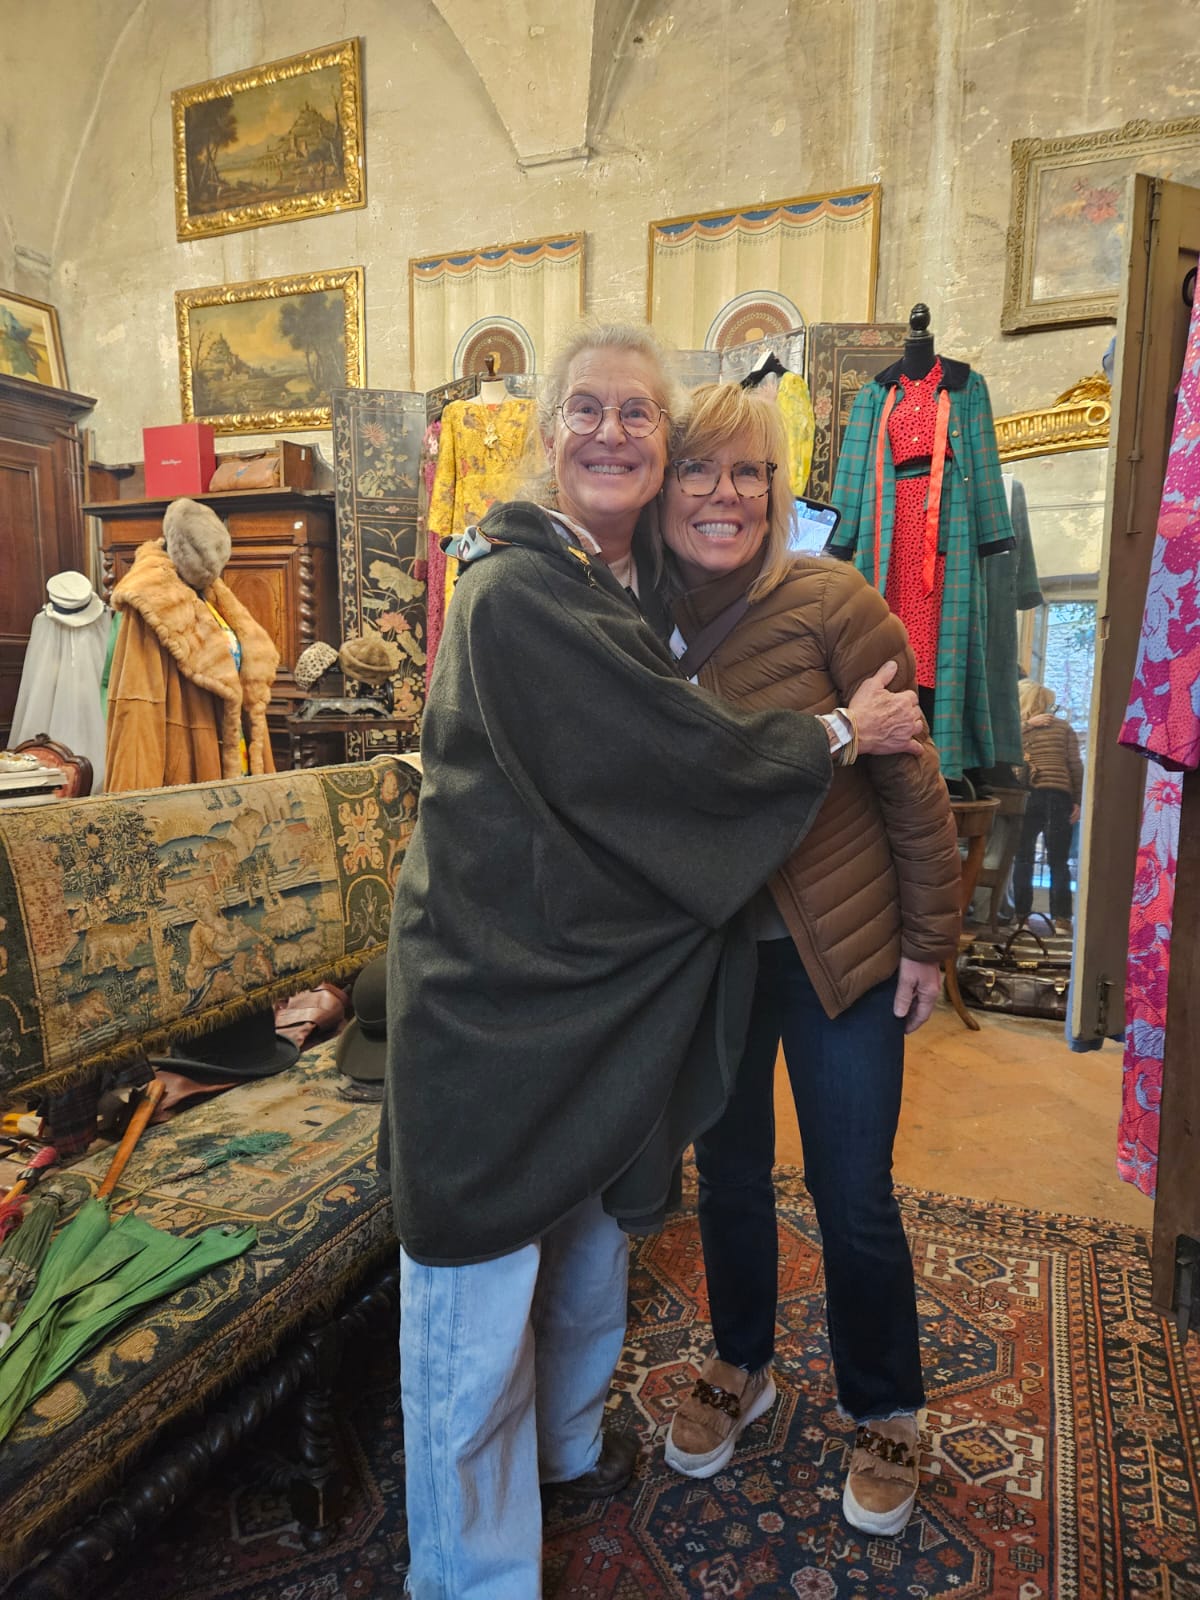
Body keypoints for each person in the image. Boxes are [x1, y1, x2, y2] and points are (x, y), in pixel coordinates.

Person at [379, 324, 927, 1600]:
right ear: (545, 436)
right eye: (586, 409)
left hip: (620, 994)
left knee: (594, 1249)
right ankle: (471, 1578)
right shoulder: (515, 590)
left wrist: (929, 940)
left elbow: (904, 790)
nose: (615, 432)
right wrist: (843, 728)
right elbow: (675, 764)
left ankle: (584, 1449)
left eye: (640, 414)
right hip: (498, 1001)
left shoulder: (640, 592)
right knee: (474, 1309)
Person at [657, 383, 961, 1537]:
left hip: (842, 956)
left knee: (853, 1194)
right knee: (726, 1180)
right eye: (700, 471)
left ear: (779, 489)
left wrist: (931, 940)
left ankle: (888, 1406)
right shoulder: (635, 621)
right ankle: (741, 1364)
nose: (724, 495)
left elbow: (909, 777)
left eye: (749, 473)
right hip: (713, 964)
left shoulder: (833, 599)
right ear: (665, 487)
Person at [1013, 679, 1083, 934]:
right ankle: (1062, 919)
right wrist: (1077, 800)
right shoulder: (1064, 728)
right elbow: (1075, 765)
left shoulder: (1018, 729)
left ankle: (1020, 916)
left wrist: (1024, 726)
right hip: (1059, 796)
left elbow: (1004, 748)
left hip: (1028, 795)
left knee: (1023, 858)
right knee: (1058, 861)